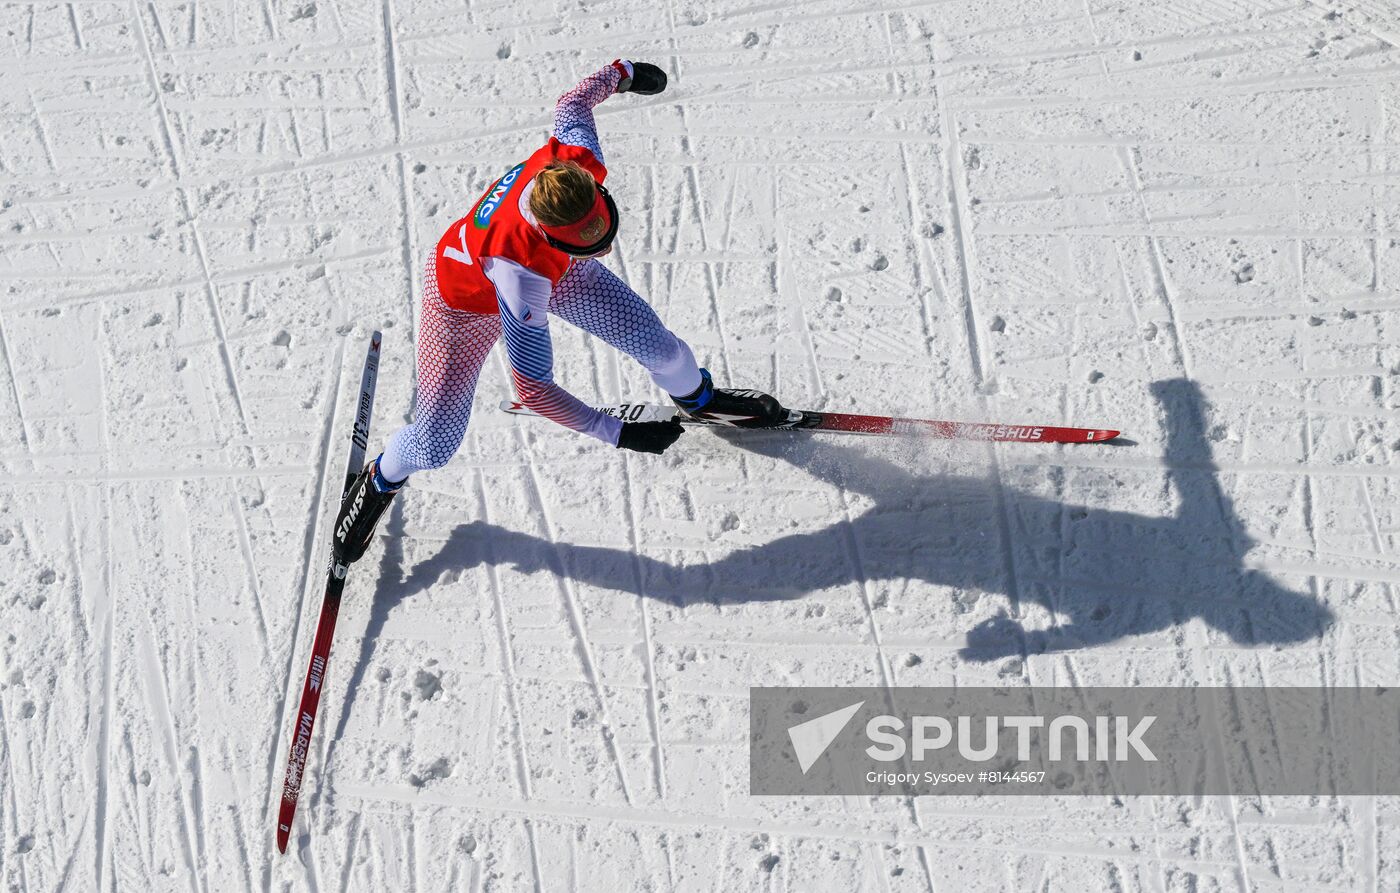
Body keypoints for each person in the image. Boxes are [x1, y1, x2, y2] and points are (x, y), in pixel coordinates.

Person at [333, 59, 787, 563]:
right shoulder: (520, 275)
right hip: (461, 307)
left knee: (661, 346)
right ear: (550, 235)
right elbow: (533, 390)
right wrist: (614, 432)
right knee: (436, 442)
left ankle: (701, 400)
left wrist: (626, 72)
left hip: (560, 270)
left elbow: (573, 102)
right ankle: (380, 480)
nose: (606, 250)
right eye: (591, 245)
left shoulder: (576, 158)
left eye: (605, 230)